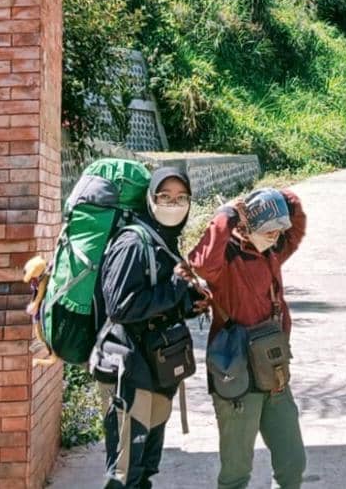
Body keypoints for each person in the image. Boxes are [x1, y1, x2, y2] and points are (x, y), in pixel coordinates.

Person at [93, 167, 209, 489]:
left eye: (181, 197)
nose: (173, 204)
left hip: (156, 371)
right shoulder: (133, 242)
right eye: (165, 197)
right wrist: (174, 289)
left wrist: (189, 300)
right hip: (128, 369)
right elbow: (120, 305)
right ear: (150, 198)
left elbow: (160, 300)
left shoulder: (164, 242)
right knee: (125, 473)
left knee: (145, 470)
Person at [188, 187, 309, 489]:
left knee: (292, 460)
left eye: (278, 228)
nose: (276, 234)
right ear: (248, 225)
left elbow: (297, 223)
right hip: (236, 369)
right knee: (236, 471)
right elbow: (201, 263)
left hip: (273, 369)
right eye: (268, 227)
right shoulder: (227, 258)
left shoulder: (272, 251)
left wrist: (269, 198)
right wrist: (227, 215)